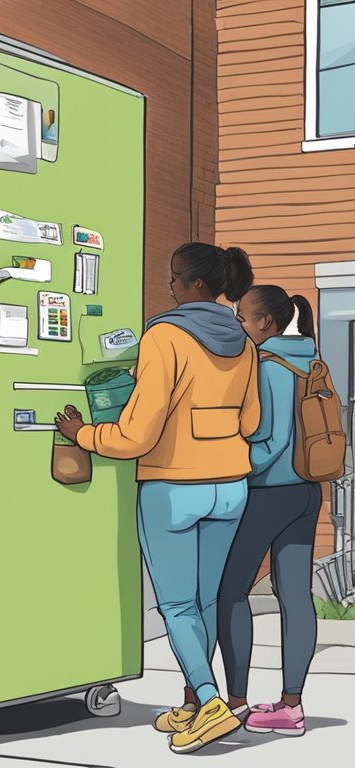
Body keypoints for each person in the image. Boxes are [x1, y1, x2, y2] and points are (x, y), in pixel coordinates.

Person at [57, 242, 260, 755]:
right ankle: (193, 702)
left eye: (173, 277)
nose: (168, 286)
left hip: (174, 486)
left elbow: (135, 437)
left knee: (175, 604)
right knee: (206, 600)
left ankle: (211, 704)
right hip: (231, 485)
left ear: (193, 284)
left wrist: (84, 435)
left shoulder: (165, 335)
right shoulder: (244, 340)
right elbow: (252, 422)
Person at [218, 286, 323, 737]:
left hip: (268, 493)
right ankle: (291, 706)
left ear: (266, 323)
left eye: (242, 317)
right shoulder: (310, 359)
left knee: (231, 591)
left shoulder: (267, 366)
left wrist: (233, 462)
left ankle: (236, 701)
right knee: (296, 597)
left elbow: (271, 441)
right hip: (307, 491)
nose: (238, 324)